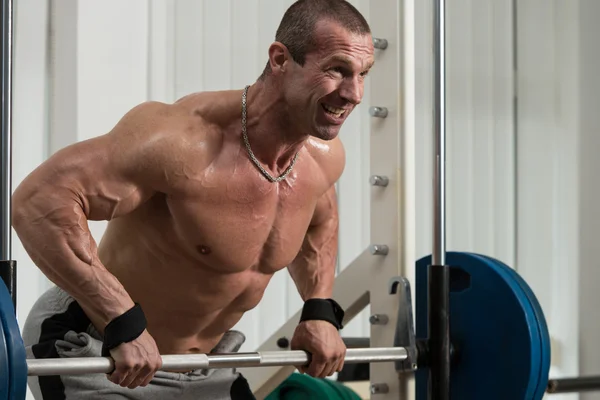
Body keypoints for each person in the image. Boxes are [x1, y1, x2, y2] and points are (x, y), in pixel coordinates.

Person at [13, 0, 375, 398]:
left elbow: (321, 221)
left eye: (362, 74)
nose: (354, 93)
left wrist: (319, 308)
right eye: (337, 70)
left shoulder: (322, 159)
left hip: (202, 365)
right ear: (279, 59)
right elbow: (39, 202)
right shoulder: (184, 142)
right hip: (100, 348)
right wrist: (120, 320)